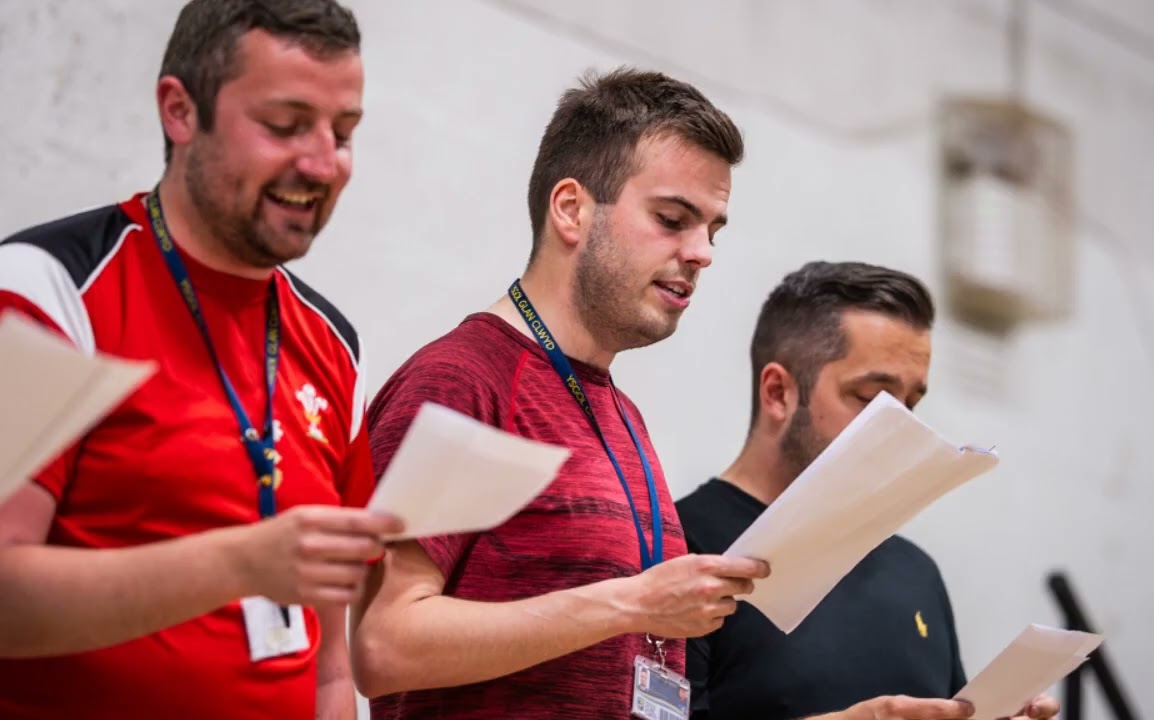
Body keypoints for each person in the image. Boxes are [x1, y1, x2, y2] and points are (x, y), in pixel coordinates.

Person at [0, 2, 404, 718]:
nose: (321, 163)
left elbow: (329, 670)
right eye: (284, 126)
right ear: (180, 111)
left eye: (343, 133)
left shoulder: (335, 344)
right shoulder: (52, 288)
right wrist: (240, 564)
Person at [350, 67, 770, 719]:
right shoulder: (466, 383)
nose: (701, 252)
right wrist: (631, 604)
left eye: (712, 229)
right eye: (672, 218)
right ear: (572, 209)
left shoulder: (619, 410)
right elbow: (383, 646)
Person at [676, 261, 1061, 720]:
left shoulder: (915, 570)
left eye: (911, 404)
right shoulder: (679, 547)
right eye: (873, 399)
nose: (902, 428)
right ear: (779, 393)